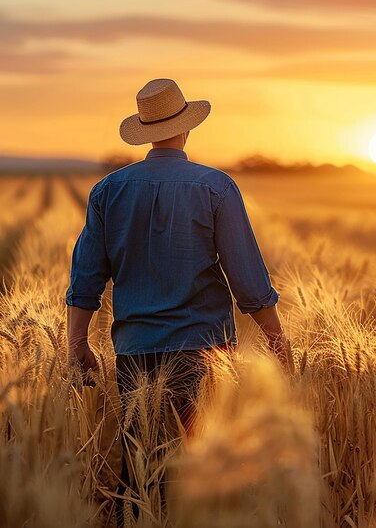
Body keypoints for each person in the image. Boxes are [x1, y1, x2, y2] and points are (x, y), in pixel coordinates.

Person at [65, 78, 292, 522]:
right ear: (187, 128)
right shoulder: (216, 187)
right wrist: (275, 337)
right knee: (206, 467)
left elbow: (86, 278)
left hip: (135, 351)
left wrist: (76, 343)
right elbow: (247, 277)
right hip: (207, 351)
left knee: (143, 473)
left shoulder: (109, 191)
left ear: (145, 130)